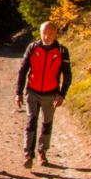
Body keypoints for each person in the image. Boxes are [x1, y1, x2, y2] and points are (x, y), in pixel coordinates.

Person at [16, 21, 72, 168]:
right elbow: (23, 70)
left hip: (50, 94)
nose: (46, 37)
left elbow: (67, 74)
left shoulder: (62, 51)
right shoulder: (33, 48)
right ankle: (28, 154)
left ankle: (42, 152)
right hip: (32, 92)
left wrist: (61, 94)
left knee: (46, 124)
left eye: (50, 34)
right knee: (31, 122)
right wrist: (19, 93)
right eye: (44, 34)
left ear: (56, 34)